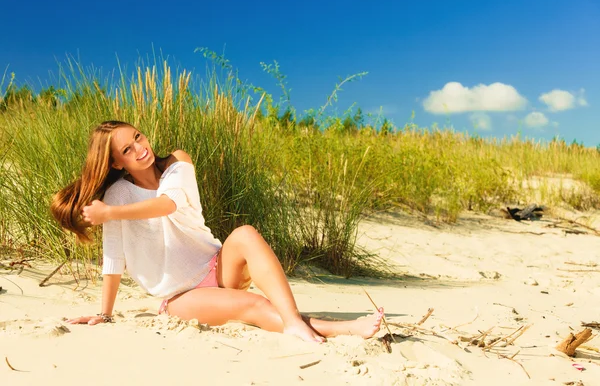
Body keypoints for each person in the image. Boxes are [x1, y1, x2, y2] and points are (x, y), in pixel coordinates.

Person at [51, 120, 384, 342]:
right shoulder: (117, 195)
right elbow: (114, 258)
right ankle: (343, 328)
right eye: (127, 150)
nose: (140, 148)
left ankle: (293, 321)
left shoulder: (177, 164)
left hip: (217, 266)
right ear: (116, 164)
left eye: (137, 137)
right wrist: (104, 314)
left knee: (246, 233)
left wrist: (110, 212)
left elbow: (169, 203)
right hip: (181, 297)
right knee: (252, 305)